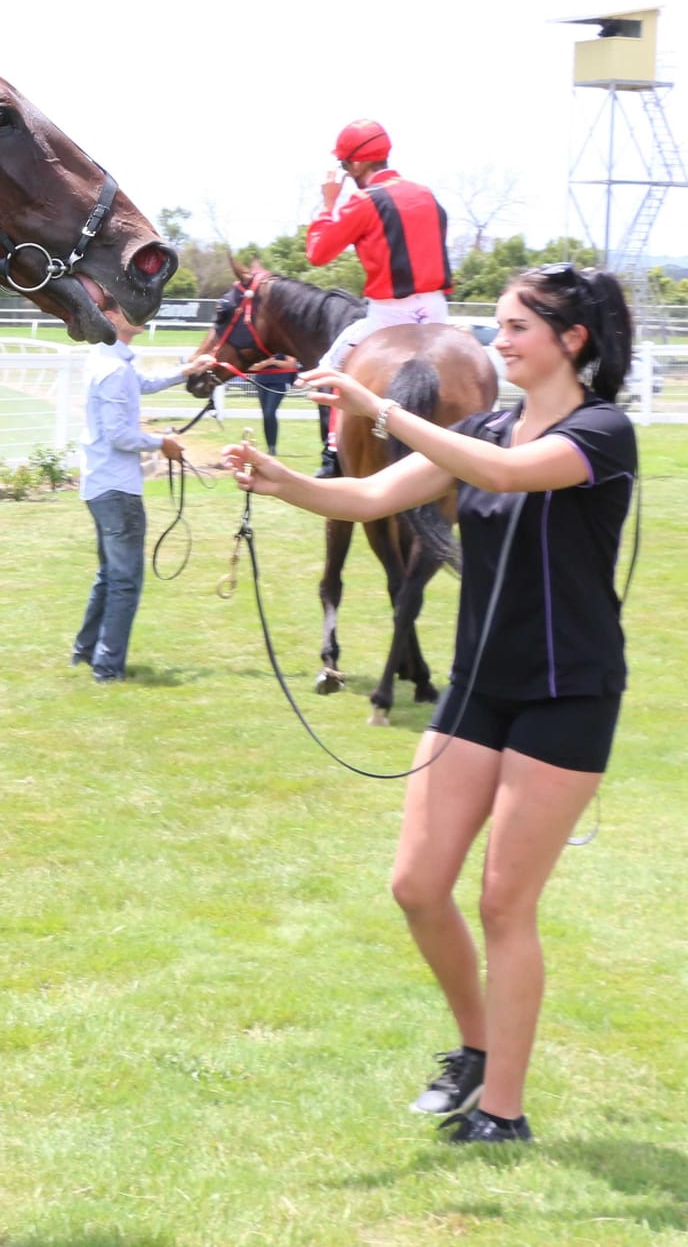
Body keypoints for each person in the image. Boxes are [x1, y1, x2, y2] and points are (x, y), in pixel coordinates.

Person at [222, 264, 636, 1146]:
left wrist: (379, 409)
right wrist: (280, 479)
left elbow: (506, 475)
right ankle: (479, 1048)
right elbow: (372, 495)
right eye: (500, 324)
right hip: (478, 686)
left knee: (504, 905)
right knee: (416, 885)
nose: (498, 340)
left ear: (573, 340)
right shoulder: (483, 424)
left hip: (566, 693)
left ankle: (503, 1114)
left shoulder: (602, 433)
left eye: (518, 327)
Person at [70, 303, 213, 682]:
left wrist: (185, 371)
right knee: (125, 581)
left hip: (101, 485)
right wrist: (162, 443)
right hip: (117, 490)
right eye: (127, 306)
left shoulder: (108, 359)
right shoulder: (115, 369)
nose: (140, 311)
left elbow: (142, 384)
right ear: (110, 317)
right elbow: (120, 436)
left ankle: (85, 652)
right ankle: (107, 668)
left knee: (109, 575)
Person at [306, 119, 453, 476]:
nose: (346, 171)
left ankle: (333, 455)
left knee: (328, 369)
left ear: (357, 163)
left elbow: (318, 253)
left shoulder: (364, 200)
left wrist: (329, 204)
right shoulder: (427, 194)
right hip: (437, 311)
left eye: (345, 164)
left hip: (388, 315)